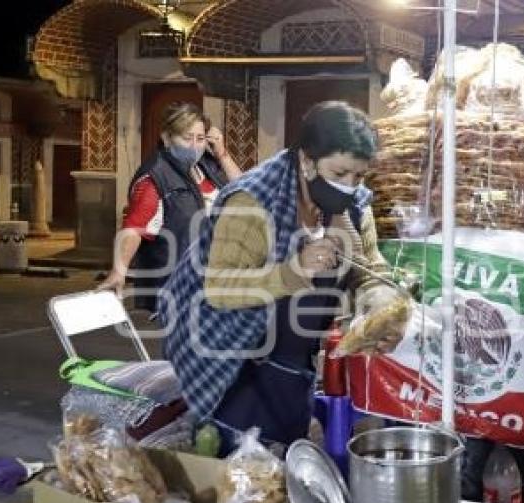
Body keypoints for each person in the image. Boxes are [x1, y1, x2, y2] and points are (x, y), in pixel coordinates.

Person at [158, 101, 405, 453]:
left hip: (291, 354)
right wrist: (295, 270)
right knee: (234, 461)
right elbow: (218, 289)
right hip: (228, 348)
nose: (350, 186)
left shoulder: (349, 205)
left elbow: (367, 263)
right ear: (306, 161)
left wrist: (379, 299)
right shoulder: (253, 200)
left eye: (358, 176)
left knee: (282, 453)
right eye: (339, 174)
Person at [97, 102, 243, 311]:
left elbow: (244, 191)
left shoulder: (206, 167)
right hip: (181, 286)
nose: (194, 145)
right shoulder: (155, 177)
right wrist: (118, 270)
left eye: (200, 138)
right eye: (186, 137)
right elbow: (135, 226)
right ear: (166, 138)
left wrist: (221, 153)